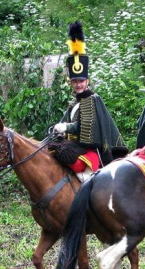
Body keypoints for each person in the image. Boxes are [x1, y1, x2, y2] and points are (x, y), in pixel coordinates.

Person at [52, 20, 128, 182]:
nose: (78, 84)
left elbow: (86, 126)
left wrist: (66, 126)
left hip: (90, 150)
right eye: (75, 81)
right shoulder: (75, 103)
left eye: (81, 81)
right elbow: (65, 123)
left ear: (87, 81)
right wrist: (57, 129)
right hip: (73, 146)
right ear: (70, 83)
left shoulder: (92, 100)